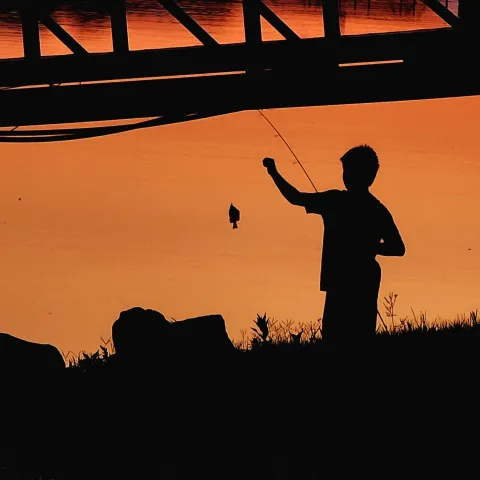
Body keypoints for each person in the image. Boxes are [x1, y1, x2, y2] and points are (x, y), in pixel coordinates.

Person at [262, 145, 405, 346]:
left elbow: (296, 198)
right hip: (364, 275)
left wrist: (274, 173)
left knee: (336, 335)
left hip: (342, 278)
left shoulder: (335, 201)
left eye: (347, 171)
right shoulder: (377, 209)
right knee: (361, 334)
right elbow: (398, 248)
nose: (344, 176)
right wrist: (371, 249)